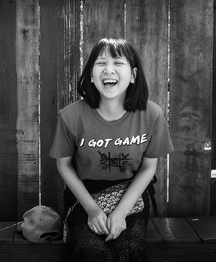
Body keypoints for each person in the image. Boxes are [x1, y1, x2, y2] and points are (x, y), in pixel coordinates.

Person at [49, 38, 173, 261]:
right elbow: (63, 164)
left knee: (129, 249)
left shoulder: (152, 115)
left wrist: (121, 212)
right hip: (84, 197)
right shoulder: (70, 116)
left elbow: (149, 167)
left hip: (131, 196)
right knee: (91, 251)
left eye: (118, 63)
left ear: (133, 75)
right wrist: (93, 210)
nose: (108, 69)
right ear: (91, 75)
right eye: (100, 63)